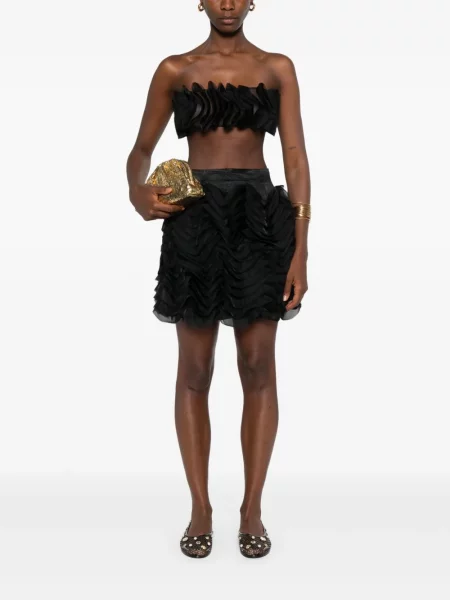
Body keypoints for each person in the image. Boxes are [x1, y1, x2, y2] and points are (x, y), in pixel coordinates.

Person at [126, 0, 311, 559]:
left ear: (253, 1)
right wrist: (137, 192)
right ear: (200, 1)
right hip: (196, 220)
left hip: (260, 219)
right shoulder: (174, 69)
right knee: (195, 369)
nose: (227, 3)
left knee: (257, 365)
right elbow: (140, 151)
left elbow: (296, 157)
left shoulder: (277, 67)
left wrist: (301, 249)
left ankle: (252, 508)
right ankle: (200, 508)